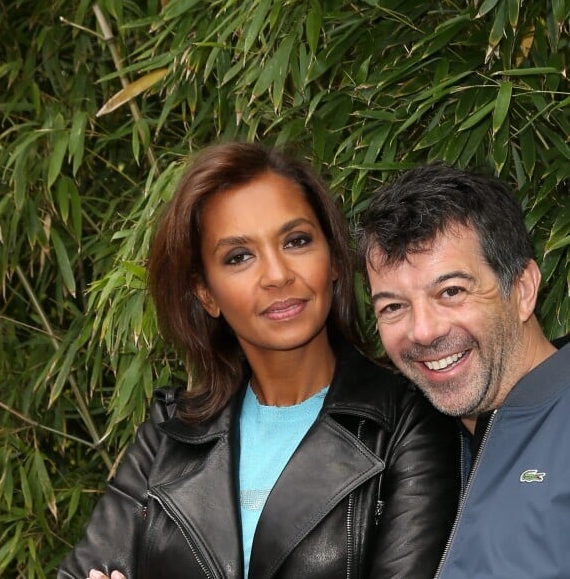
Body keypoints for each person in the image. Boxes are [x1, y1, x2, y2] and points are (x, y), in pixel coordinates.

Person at [58, 143, 459, 579]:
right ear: (206, 293)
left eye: (297, 240)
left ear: (334, 260)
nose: (277, 274)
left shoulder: (407, 422)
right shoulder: (170, 432)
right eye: (239, 257)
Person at [357, 162, 570, 578]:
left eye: (451, 291)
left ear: (523, 289)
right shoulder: (403, 443)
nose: (423, 331)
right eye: (393, 307)